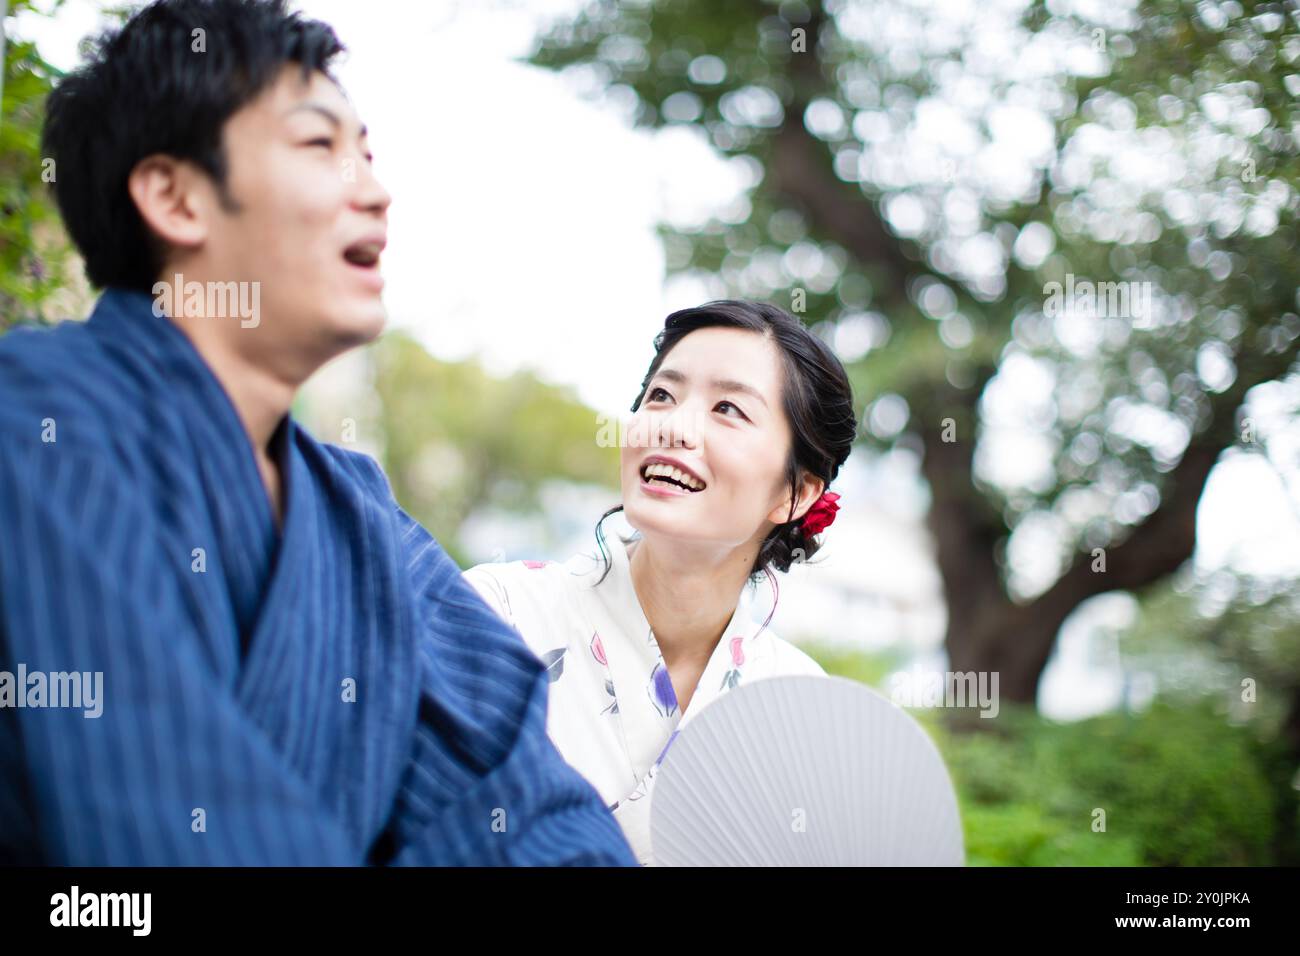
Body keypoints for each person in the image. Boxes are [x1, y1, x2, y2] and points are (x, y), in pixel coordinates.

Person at [0, 0, 635, 866]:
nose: (374, 190)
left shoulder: (360, 523)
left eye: (366, 154)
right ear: (175, 196)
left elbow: (533, 815)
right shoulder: (35, 422)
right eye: (318, 147)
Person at [464, 300, 857, 864]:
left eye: (728, 408)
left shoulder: (804, 706)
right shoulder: (498, 613)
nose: (672, 426)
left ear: (794, 494)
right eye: (662, 396)